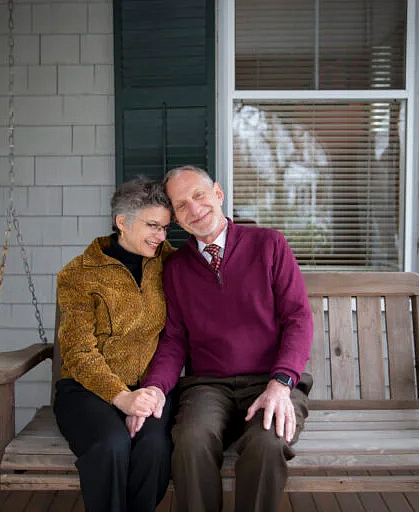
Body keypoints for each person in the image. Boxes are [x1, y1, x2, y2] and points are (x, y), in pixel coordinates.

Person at [130, 166, 314, 512]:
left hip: (270, 380)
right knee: (190, 440)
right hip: (207, 386)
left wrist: (281, 382)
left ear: (218, 193)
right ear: (175, 219)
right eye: (181, 205)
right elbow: (174, 341)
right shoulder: (176, 268)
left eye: (198, 196)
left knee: (268, 444)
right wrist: (155, 387)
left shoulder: (269, 244)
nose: (194, 209)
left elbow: (298, 319)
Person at [53, 177, 175, 512]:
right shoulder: (79, 274)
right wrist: (122, 398)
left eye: (165, 228)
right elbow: (77, 352)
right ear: (122, 222)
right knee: (111, 444)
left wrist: (144, 395)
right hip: (86, 390)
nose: (161, 237)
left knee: (154, 448)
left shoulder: (169, 262)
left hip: (150, 388)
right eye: (153, 226)